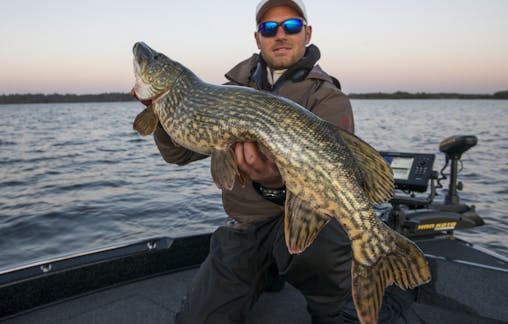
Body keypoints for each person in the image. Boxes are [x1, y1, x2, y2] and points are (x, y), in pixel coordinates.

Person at [136, 0, 355, 322]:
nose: (280, 34)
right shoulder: (227, 93)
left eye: (291, 26)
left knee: (325, 242)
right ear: (258, 38)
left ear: (306, 33)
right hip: (245, 226)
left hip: (305, 219)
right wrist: (162, 109)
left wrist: (274, 183)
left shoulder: (327, 98)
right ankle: (265, 274)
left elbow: (333, 185)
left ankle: (334, 310)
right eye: (269, 28)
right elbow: (178, 154)